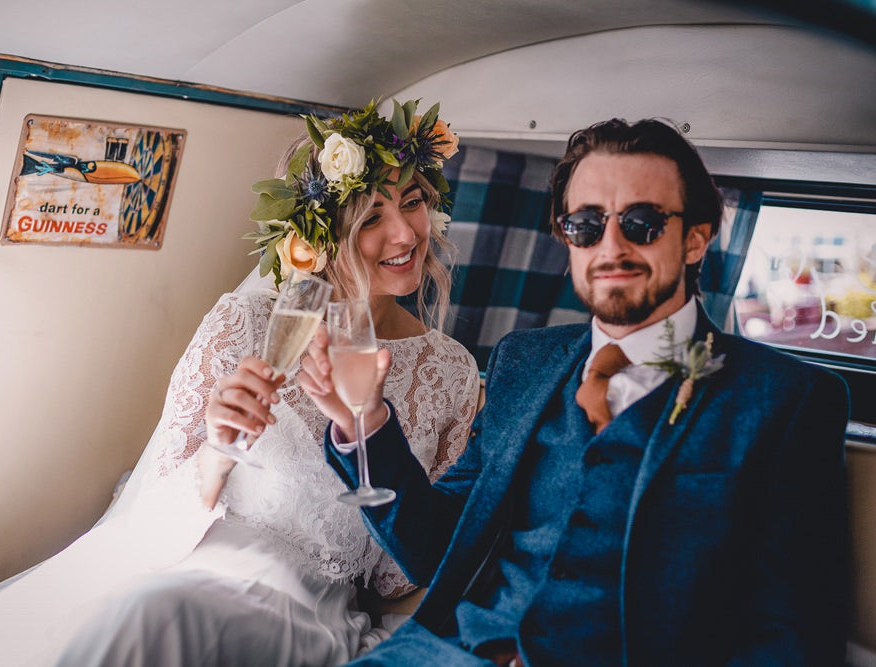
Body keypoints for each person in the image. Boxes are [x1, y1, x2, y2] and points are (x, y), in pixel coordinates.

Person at [0, 100, 480, 666]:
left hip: (303, 611)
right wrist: (219, 451)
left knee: (151, 614)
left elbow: (399, 573)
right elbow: (146, 509)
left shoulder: (453, 373)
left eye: (413, 202)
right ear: (321, 234)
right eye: (373, 216)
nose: (405, 234)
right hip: (182, 566)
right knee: (141, 612)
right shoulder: (244, 324)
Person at [304, 118, 850, 665]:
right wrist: (367, 422)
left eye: (642, 222)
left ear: (695, 239)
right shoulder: (524, 361)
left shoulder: (788, 398)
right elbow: (437, 549)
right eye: (586, 224)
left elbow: (790, 632)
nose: (611, 246)